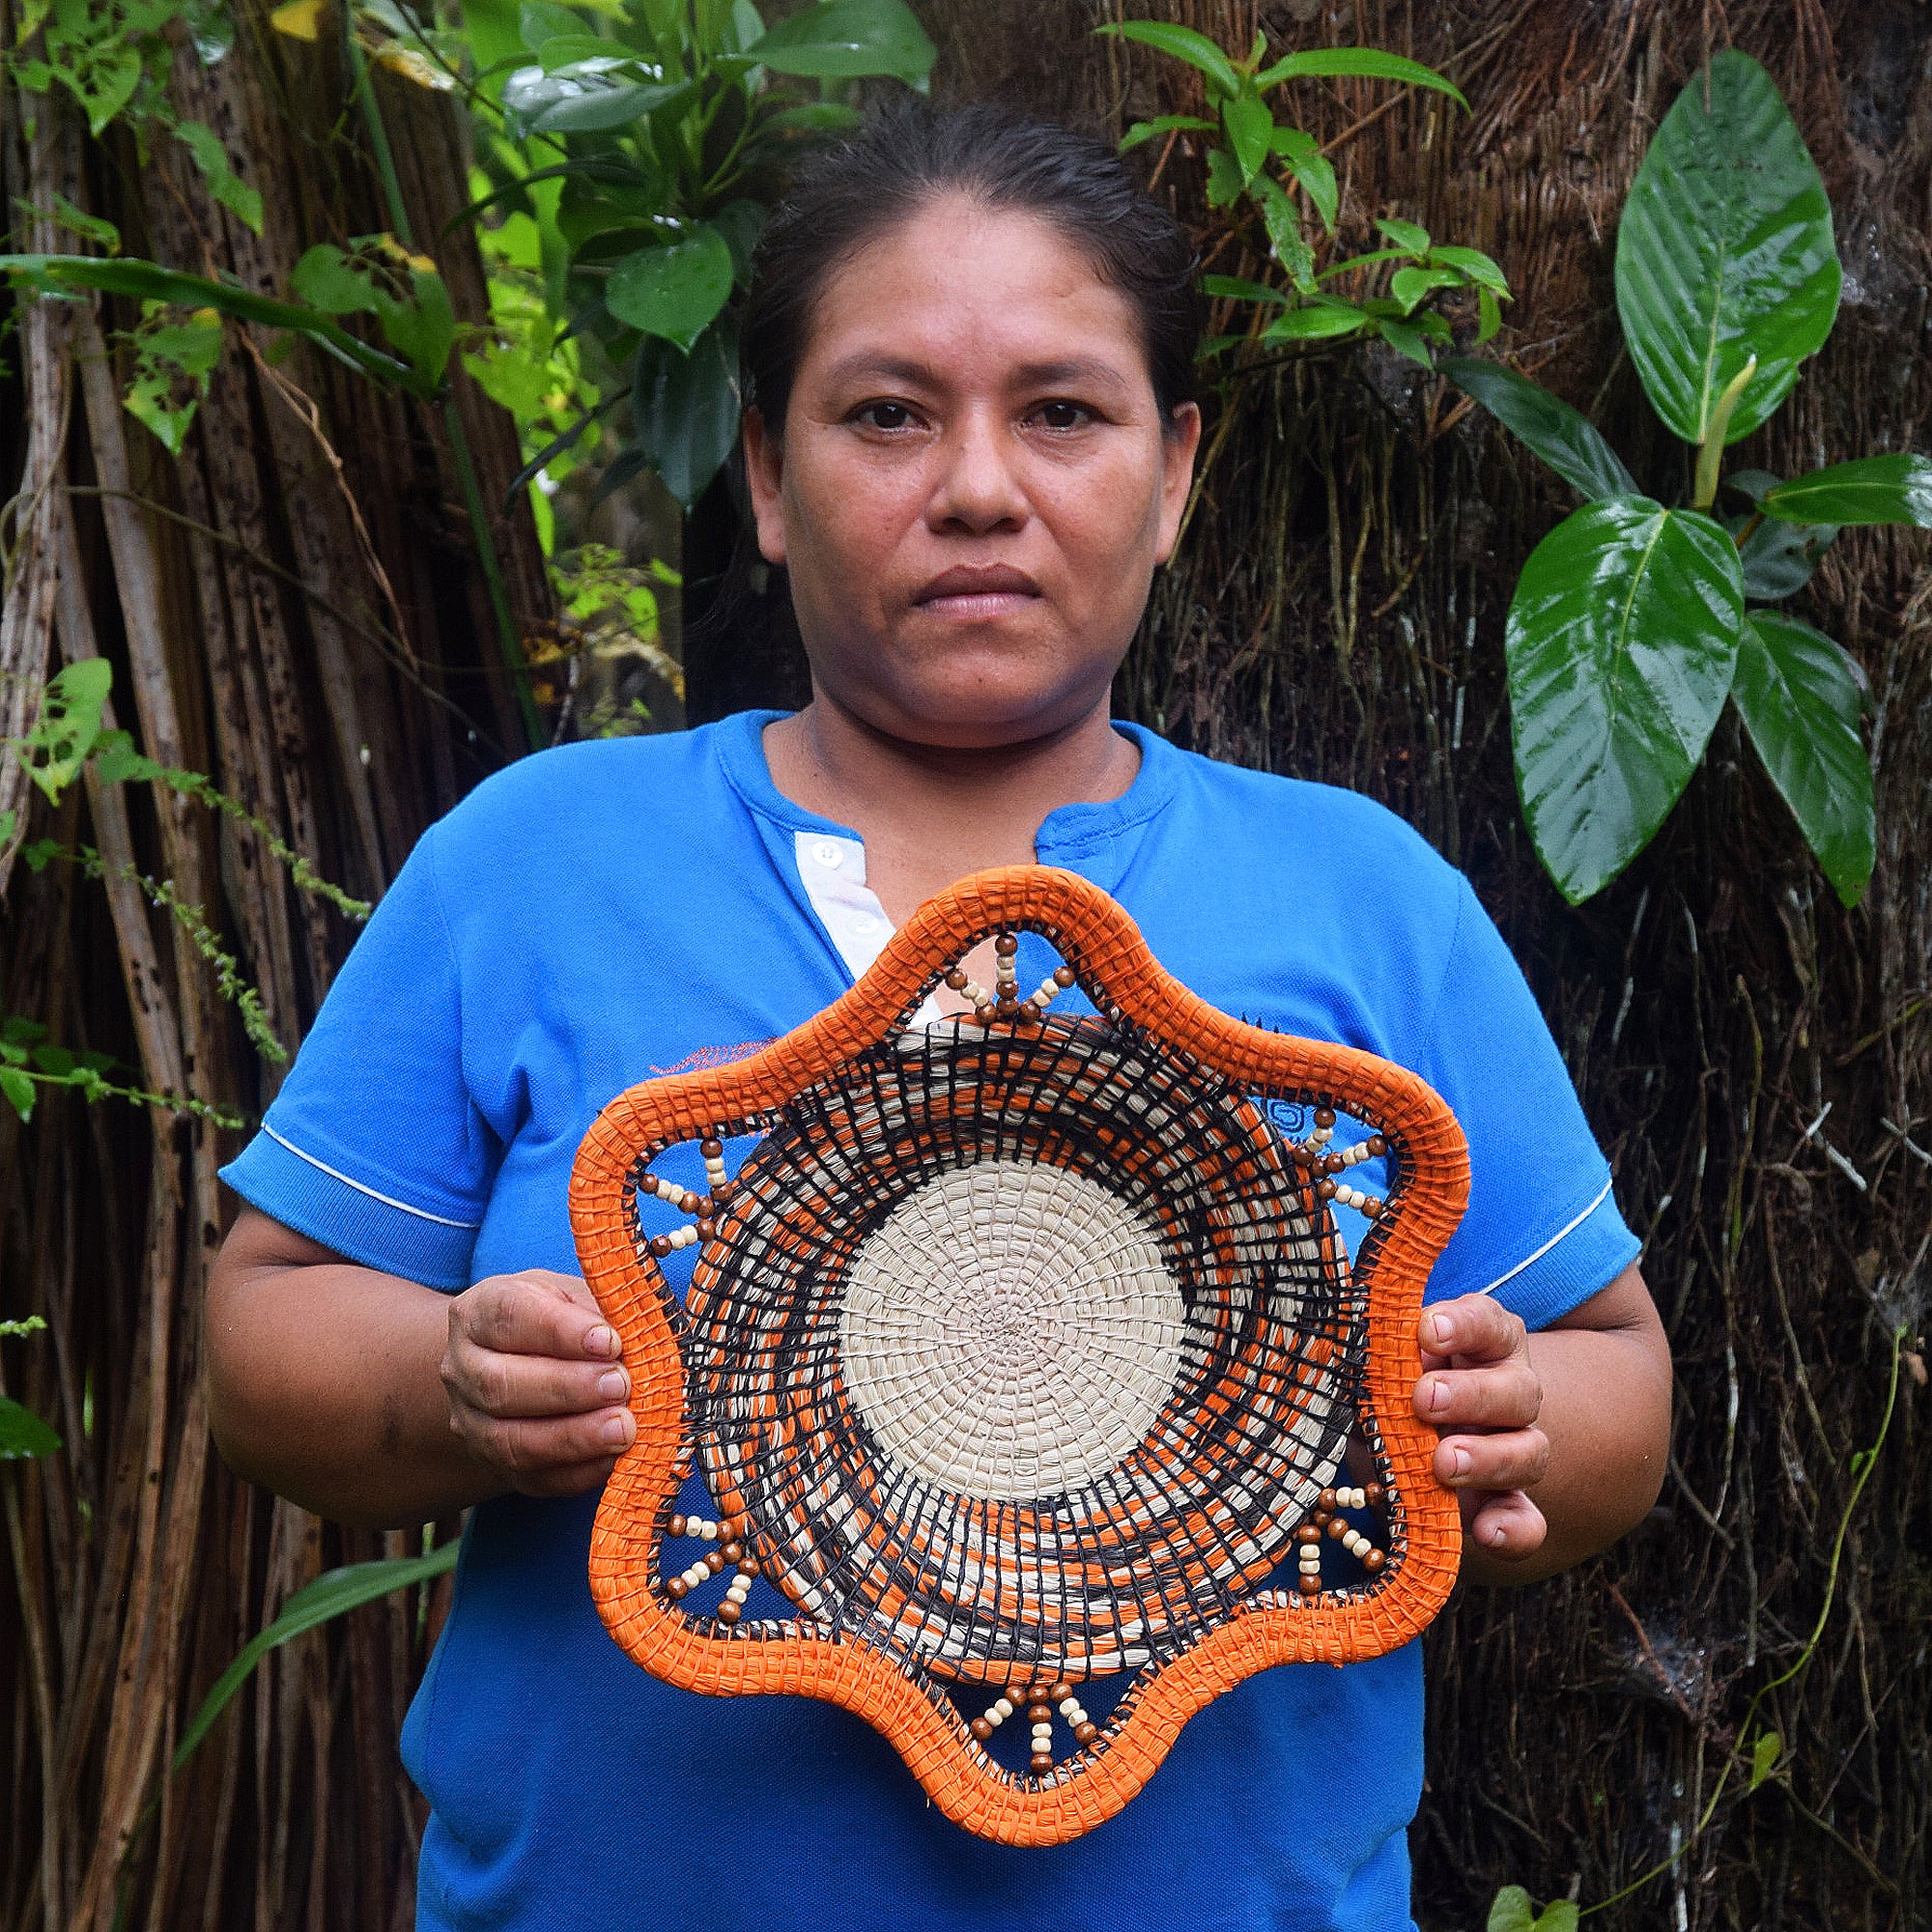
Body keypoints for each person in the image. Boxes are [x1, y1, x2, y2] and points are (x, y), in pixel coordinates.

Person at [207, 101, 1671, 1932]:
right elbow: (264, 1341)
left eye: (1063, 412)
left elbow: (1613, 1372)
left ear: (1176, 471)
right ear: (763, 471)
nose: (978, 485)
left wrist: (1517, 1419)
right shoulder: (538, 864)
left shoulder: (1362, 900)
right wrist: (456, 1388)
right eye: (887, 413)